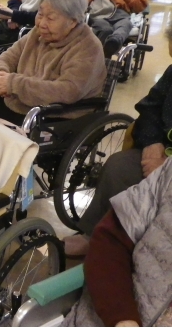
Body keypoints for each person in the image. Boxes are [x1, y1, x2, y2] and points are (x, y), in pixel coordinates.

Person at [63, 23, 172, 258]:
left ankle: (140, 253)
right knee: (118, 166)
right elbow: (150, 107)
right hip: (162, 149)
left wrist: (167, 169)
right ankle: (93, 236)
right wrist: (153, 143)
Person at [62, 157, 172, 327]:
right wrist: (123, 318)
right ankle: (86, 233)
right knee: (116, 167)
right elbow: (110, 240)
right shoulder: (168, 174)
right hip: (107, 316)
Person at [0, 0, 106, 125]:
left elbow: (68, 90)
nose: (41, 23)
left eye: (51, 18)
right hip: (20, 106)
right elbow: (8, 57)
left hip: (56, 117)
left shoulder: (87, 47)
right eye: (40, 14)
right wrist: (0, 75)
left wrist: (14, 84)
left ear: (72, 22)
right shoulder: (38, 33)